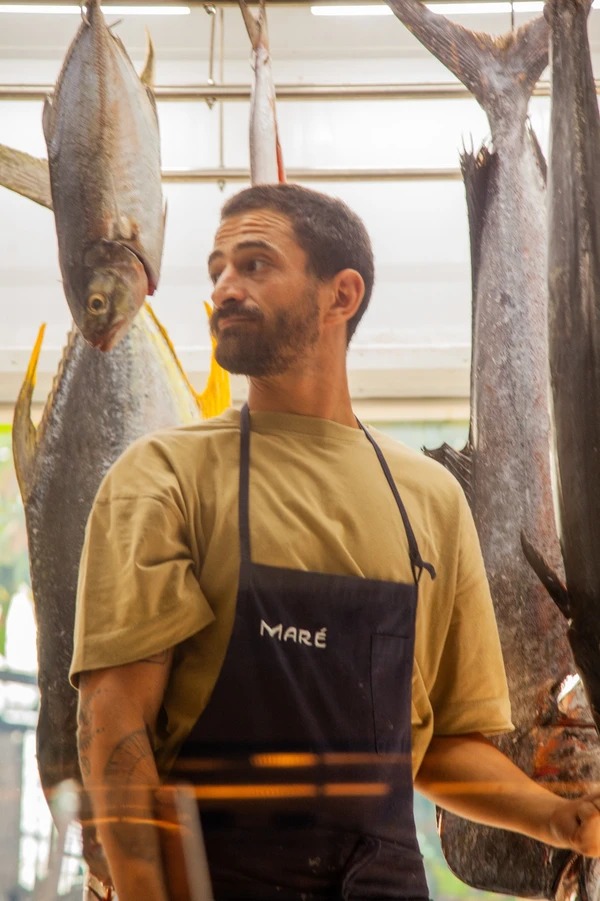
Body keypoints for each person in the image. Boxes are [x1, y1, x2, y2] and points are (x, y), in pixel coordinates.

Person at [70, 183, 600, 901]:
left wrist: (562, 819)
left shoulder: (430, 499)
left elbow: (439, 744)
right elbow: (114, 721)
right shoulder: (165, 476)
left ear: (340, 294)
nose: (224, 286)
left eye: (254, 264)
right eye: (218, 267)